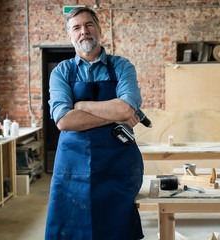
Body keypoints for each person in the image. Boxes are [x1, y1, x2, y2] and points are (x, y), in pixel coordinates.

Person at [45, 7, 145, 240]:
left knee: (118, 230)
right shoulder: (62, 72)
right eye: (76, 28)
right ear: (70, 36)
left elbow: (126, 108)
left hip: (118, 164)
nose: (84, 31)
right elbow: (63, 121)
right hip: (73, 168)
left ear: (99, 29)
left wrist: (81, 106)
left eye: (89, 25)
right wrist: (116, 114)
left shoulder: (121, 66)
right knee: (71, 232)